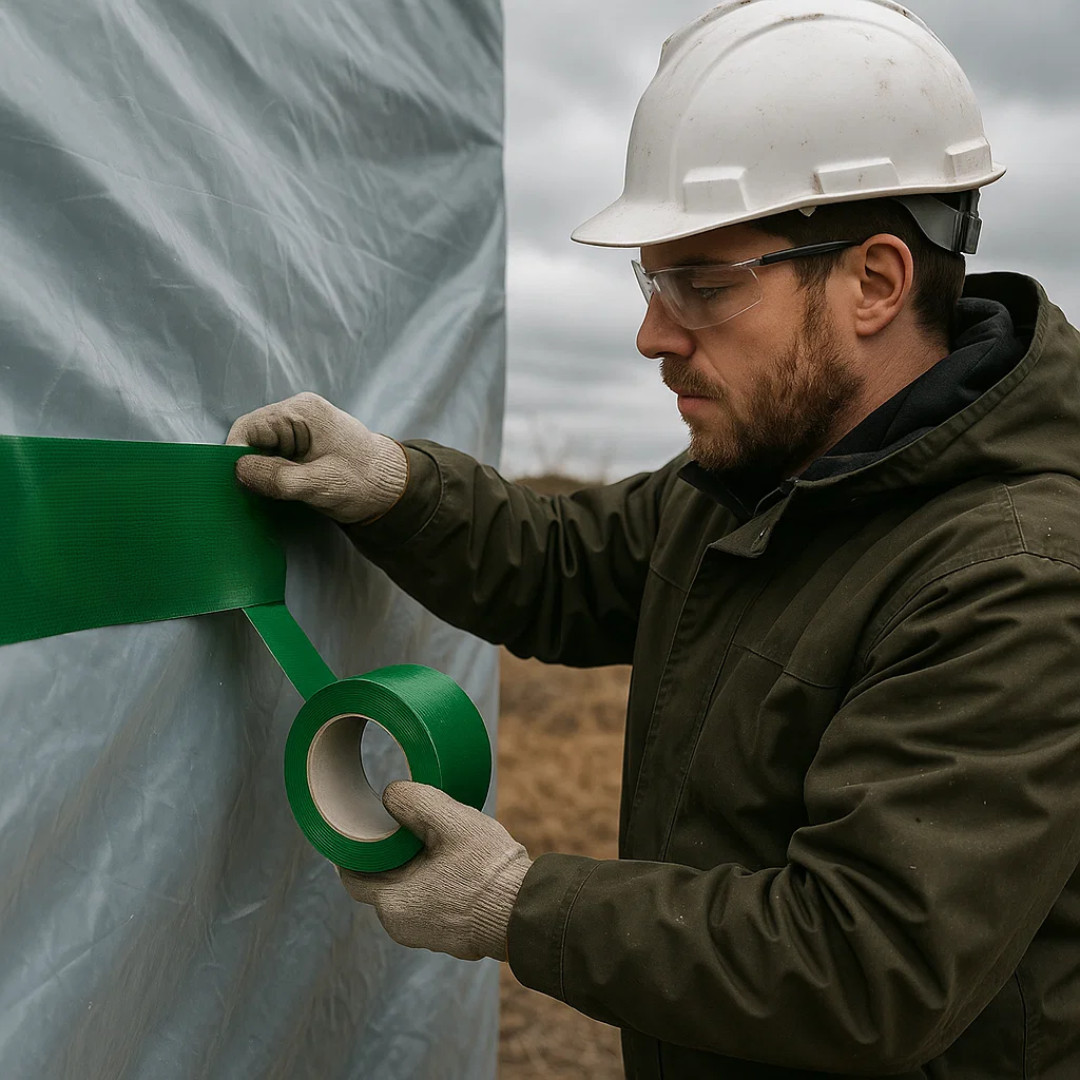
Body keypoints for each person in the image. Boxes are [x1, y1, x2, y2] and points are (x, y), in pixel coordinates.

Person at [227, 2, 1080, 1076]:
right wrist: (396, 488)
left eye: (704, 283)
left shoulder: (1018, 576)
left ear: (874, 282)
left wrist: (518, 905)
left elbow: (868, 964)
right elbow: (568, 567)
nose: (652, 335)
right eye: (653, 278)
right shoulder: (769, 477)